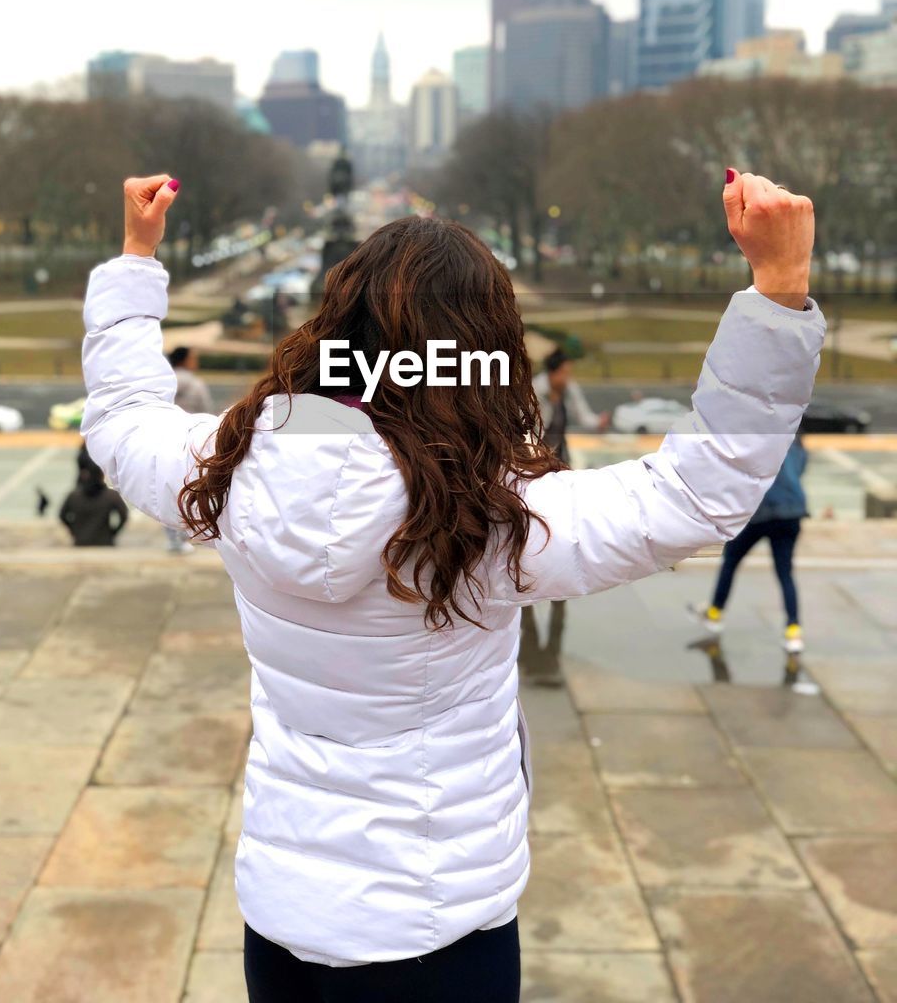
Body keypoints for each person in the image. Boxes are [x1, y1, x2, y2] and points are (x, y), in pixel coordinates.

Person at [81, 169, 822, 1002]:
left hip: (283, 926)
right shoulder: (483, 523)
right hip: (434, 936)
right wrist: (778, 292)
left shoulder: (234, 466)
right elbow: (694, 493)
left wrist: (136, 259)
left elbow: (119, 418)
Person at [523, 350, 610, 683]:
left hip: (561, 466)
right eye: (566, 372)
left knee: (561, 529)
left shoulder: (567, 391)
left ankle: (551, 642)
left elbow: (582, 417)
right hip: (536, 469)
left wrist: (598, 423)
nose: (569, 378)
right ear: (554, 372)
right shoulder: (536, 391)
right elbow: (525, 430)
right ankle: (530, 645)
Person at [689, 432, 810, 652]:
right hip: (792, 510)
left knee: (731, 560)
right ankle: (793, 631)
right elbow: (800, 467)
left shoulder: (753, 434)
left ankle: (715, 613)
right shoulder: (795, 436)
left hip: (759, 512)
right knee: (785, 572)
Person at [163, 345, 213, 554]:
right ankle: (190, 534)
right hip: (192, 444)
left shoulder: (164, 382)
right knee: (192, 489)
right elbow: (207, 412)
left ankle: (172, 537)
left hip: (166, 439)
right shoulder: (196, 384)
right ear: (185, 360)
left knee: (167, 488)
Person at [58, 447, 128, 547]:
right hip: (105, 542)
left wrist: (74, 531)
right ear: (101, 475)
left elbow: (61, 515)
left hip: (80, 542)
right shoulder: (111, 496)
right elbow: (124, 516)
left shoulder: (74, 496)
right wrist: (113, 533)